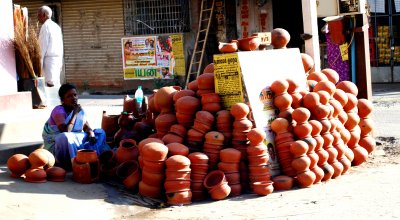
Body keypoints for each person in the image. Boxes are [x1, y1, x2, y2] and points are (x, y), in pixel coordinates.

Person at [42, 83, 110, 169]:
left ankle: (91, 157)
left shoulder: (79, 110)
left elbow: (86, 127)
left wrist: (91, 133)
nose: (73, 98)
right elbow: (66, 131)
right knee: (64, 137)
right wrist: (75, 113)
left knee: (100, 132)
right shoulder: (58, 110)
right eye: (69, 96)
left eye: (75, 95)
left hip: (74, 140)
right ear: (62, 99)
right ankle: (74, 162)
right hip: (58, 146)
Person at [37, 5, 64, 105]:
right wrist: (61, 61)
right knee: (55, 83)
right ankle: (58, 103)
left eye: (39, 15)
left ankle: (54, 104)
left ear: (44, 15)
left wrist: (39, 63)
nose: (38, 17)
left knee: (50, 84)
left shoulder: (46, 26)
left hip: (49, 60)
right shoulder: (56, 26)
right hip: (56, 60)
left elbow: (42, 46)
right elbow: (61, 46)